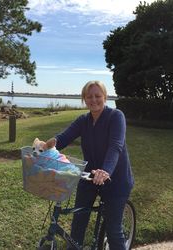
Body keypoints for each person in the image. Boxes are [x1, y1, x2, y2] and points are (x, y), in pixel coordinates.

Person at [47, 80, 134, 250]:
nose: (93, 100)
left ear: (105, 97)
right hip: (89, 177)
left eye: (97, 96)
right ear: (84, 99)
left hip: (116, 180)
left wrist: (106, 171)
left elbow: (115, 146)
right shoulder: (83, 120)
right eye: (89, 96)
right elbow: (64, 137)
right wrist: (48, 145)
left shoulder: (116, 117)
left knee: (114, 231)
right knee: (77, 225)